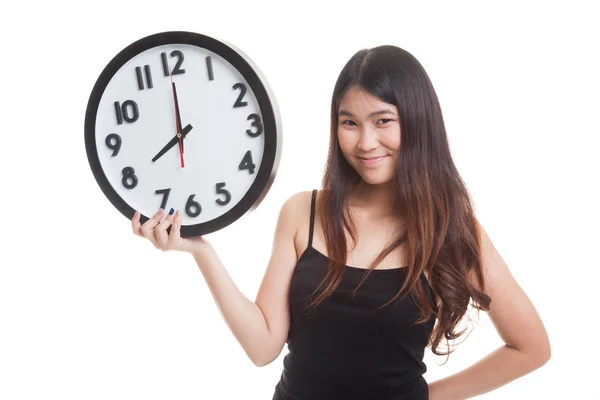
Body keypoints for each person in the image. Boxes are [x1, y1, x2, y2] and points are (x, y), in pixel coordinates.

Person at [131, 45, 551, 400]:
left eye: (383, 121)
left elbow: (531, 348)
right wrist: (200, 251)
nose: (365, 142)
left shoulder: (451, 230)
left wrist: (425, 396)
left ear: (418, 123)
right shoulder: (303, 212)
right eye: (349, 122)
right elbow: (262, 348)